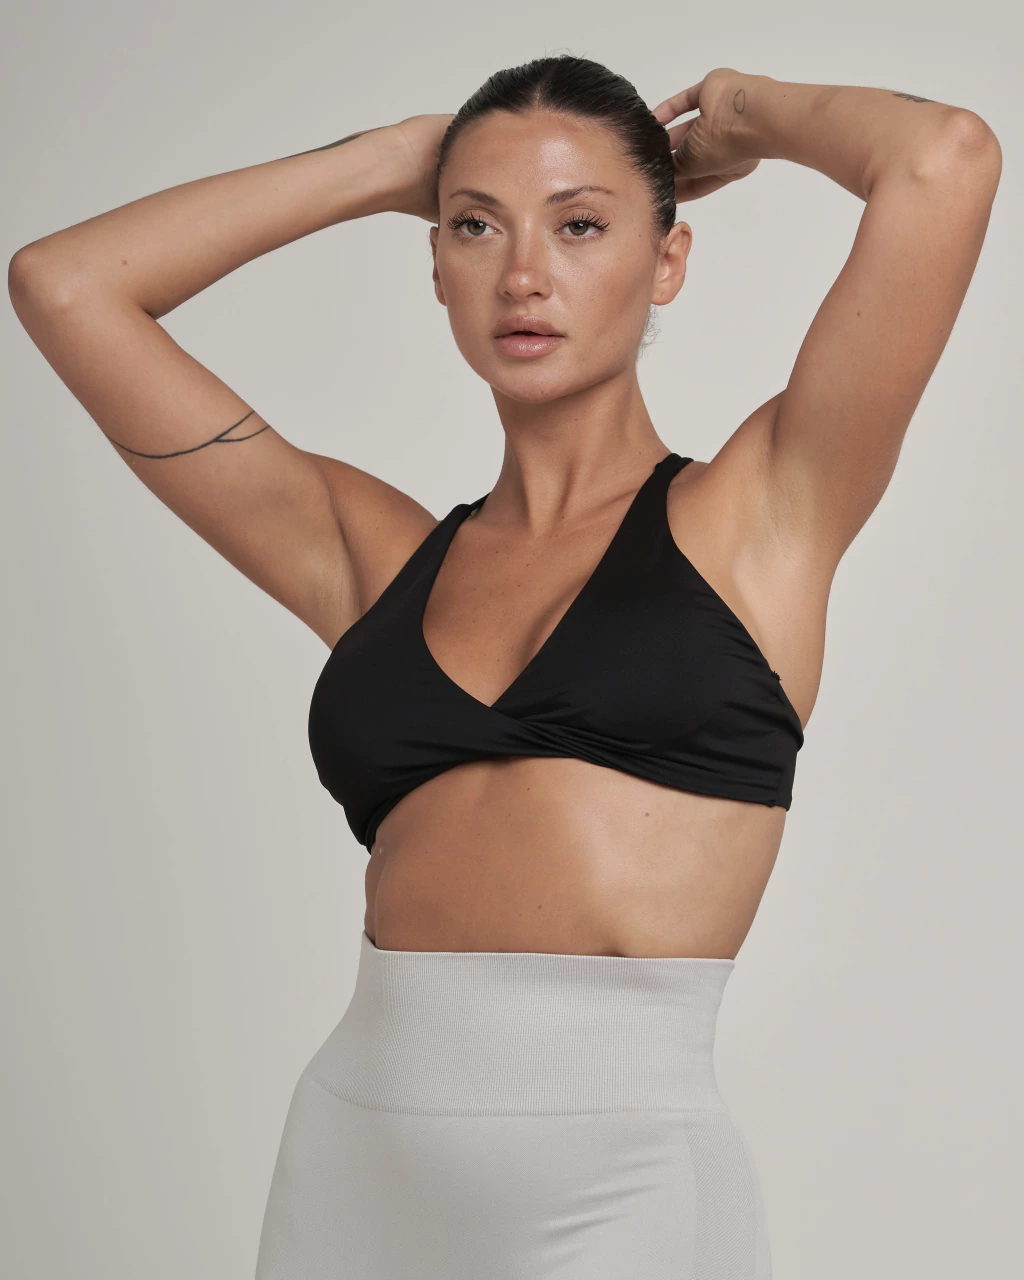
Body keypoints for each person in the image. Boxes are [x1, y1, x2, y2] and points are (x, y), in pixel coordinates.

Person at [9, 53, 1001, 1280]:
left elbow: (944, 158)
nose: (523, 274)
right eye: (477, 227)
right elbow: (63, 286)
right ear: (435, 264)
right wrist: (395, 161)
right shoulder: (370, 559)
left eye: (580, 225)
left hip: (620, 1187)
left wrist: (737, 116)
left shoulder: (764, 511)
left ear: (667, 262)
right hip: (349, 1169)